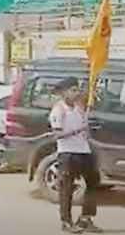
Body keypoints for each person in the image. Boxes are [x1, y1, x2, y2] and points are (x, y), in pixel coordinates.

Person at [50, 77, 102, 233]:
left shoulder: (79, 108)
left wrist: (86, 132)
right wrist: (77, 130)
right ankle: (66, 221)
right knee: (67, 188)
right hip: (68, 153)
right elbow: (57, 134)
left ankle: (86, 218)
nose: (76, 93)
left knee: (94, 181)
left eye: (77, 90)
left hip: (84, 150)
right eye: (73, 90)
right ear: (64, 93)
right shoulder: (58, 110)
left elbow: (85, 128)